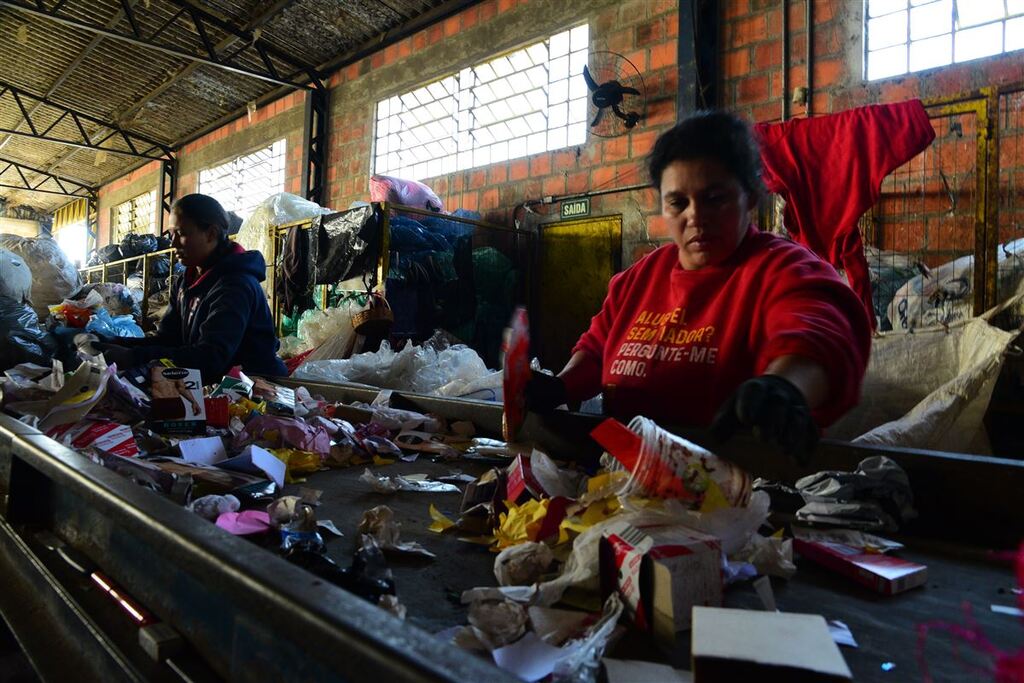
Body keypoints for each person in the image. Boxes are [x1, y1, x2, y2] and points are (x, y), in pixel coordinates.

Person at [527, 110, 871, 461]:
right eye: (678, 202)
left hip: (738, 486)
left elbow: (818, 337)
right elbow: (597, 350)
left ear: (751, 197)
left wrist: (785, 386)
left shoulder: (784, 270)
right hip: (625, 480)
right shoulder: (639, 280)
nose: (695, 217)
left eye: (714, 198)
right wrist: (560, 386)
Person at [99, 194, 287, 383]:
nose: (173, 243)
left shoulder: (236, 284)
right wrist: (112, 342)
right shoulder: (185, 281)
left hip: (256, 386)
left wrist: (134, 357)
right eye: (172, 234)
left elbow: (210, 358)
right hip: (213, 381)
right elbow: (169, 339)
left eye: (181, 234)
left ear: (211, 234)